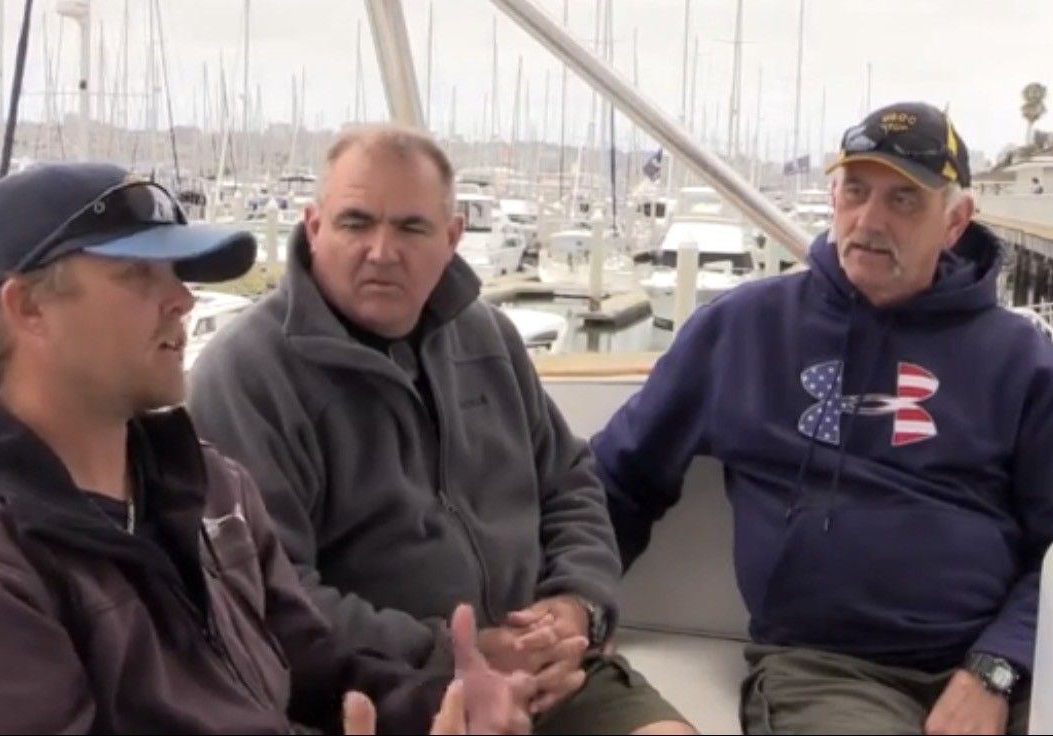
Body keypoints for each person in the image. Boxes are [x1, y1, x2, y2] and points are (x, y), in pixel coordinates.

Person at [0, 162, 532, 734]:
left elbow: (311, 667)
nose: (183, 299)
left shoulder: (209, 488)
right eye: (139, 275)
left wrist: (446, 705)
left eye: (177, 273)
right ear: (29, 308)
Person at [592, 101, 1053, 734]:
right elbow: (618, 479)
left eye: (904, 200)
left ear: (955, 220)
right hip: (827, 671)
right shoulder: (743, 330)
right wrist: (579, 600)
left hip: (1003, 665)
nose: (870, 220)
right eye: (855, 190)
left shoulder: (1020, 359)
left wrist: (997, 667)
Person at [188, 125, 693, 735]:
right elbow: (274, 593)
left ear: (452, 237)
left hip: (547, 671)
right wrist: (455, 653)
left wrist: (575, 608)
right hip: (391, 693)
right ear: (314, 226)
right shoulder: (246, 375)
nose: (381, 250)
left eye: (411, 227)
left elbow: (569, 482)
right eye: (355, 223)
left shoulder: (489, 338)